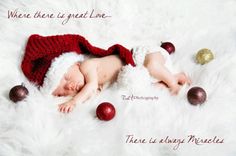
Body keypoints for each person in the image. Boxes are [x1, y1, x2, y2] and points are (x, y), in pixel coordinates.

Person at [52, 47, 191, 113]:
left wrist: (73, 101)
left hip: (144, 56)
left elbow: (91, 86)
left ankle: (173, 84)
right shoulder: (91, 83)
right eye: (63, 91)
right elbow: (94, 91)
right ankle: (176, 76)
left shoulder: (86, 66)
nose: (69, 86)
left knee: (153, 66)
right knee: (150, 89)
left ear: (75, 64)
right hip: (139, 73)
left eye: (66, 78)